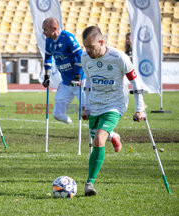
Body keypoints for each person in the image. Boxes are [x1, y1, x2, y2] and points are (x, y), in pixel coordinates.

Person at [81, 26, 146, 196]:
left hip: (115, 104)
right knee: (98, 137)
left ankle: (89, 183)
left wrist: (140, 109)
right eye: (85, 47)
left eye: (91, 47)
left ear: (101, 42)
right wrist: (86, 106)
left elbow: (135, 81)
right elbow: (87, 82)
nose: (87, 51)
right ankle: (114, 136)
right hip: (95, 104)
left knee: (98, 140)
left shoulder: (119, 57)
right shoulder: (85, 58)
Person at [42, 17, 122, 147]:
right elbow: (47, 58)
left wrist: (78, 76)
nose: (43, 32)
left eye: (45, 29)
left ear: (54, 29)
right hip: (66, 83)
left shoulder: (67, 37)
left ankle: (112, 135)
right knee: (57, 114)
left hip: (81, 83)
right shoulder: (48, 41)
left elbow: (80, 55)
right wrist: (46, 76)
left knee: (90, 114)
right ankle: (71, 123)